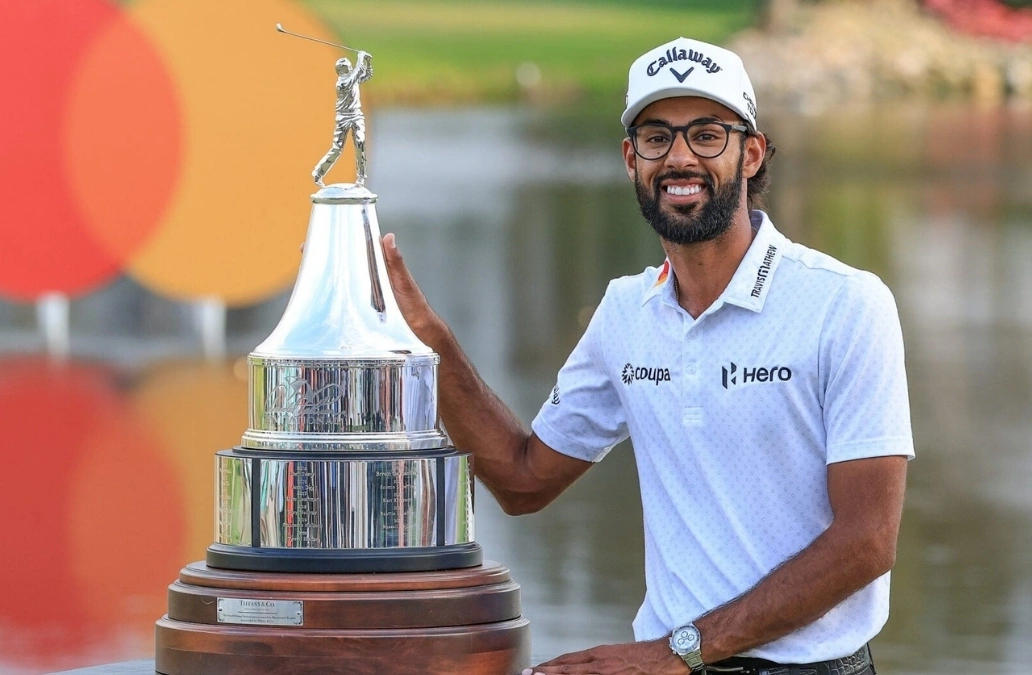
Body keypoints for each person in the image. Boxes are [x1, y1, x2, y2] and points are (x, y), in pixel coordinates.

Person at [380, 36, 912, 675]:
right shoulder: (626, 312)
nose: (680, 158)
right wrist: (425, 338)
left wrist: (675, 652)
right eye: (657, 137)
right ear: (631, 159)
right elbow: (524, 480)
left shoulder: (846, 303)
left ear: (752, 153)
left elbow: (867, 542)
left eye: (707, 135)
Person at [312, 50, 372, 187]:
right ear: (342, 71)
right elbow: (357, 73)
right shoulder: (342, 84)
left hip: (357, 115)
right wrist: (360, 57)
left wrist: (368, 62)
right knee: (337, 148)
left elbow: (366, 75)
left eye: (351, 67)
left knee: (360, 143)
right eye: (348, 68)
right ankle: (318, 173)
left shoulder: (353, 79)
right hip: (343, 118)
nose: (350, 69)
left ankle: (361, 177)